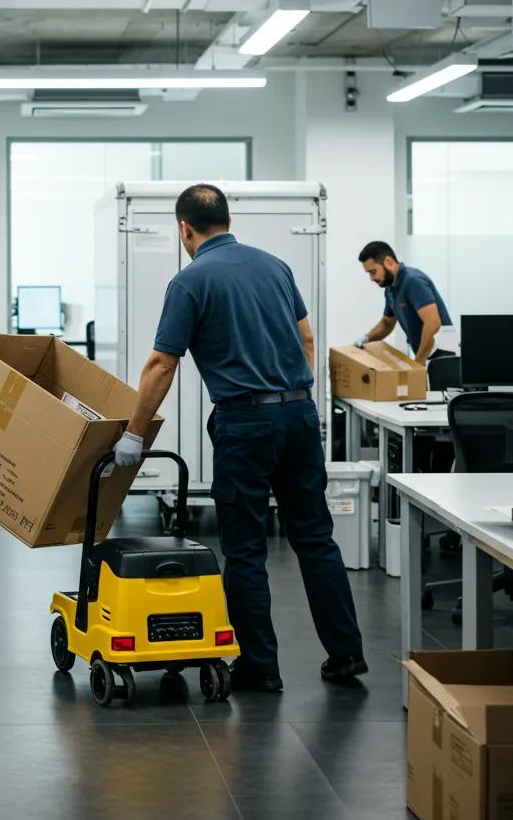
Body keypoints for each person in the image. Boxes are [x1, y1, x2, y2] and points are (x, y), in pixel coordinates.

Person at [112, 184, 366, 692]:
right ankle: (346, 655)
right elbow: (307, 337)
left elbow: (163, 364)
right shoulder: (275, 266)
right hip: (298, 415)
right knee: (316, 540)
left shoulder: (190, 281)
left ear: (184, 228)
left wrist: (134, 434)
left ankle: (260, 667)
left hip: (244, 424)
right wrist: (292, 391)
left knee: (246, 549)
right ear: (228, 219)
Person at [355, 241, 454, 364]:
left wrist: (418, 363)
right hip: (426, 355)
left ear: (388, 262)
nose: (371, 279)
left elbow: (433, 322)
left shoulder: (412, 281)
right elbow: (387, 323)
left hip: (444, 357)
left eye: (373, 272)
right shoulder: (390, 289)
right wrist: (366, 338)